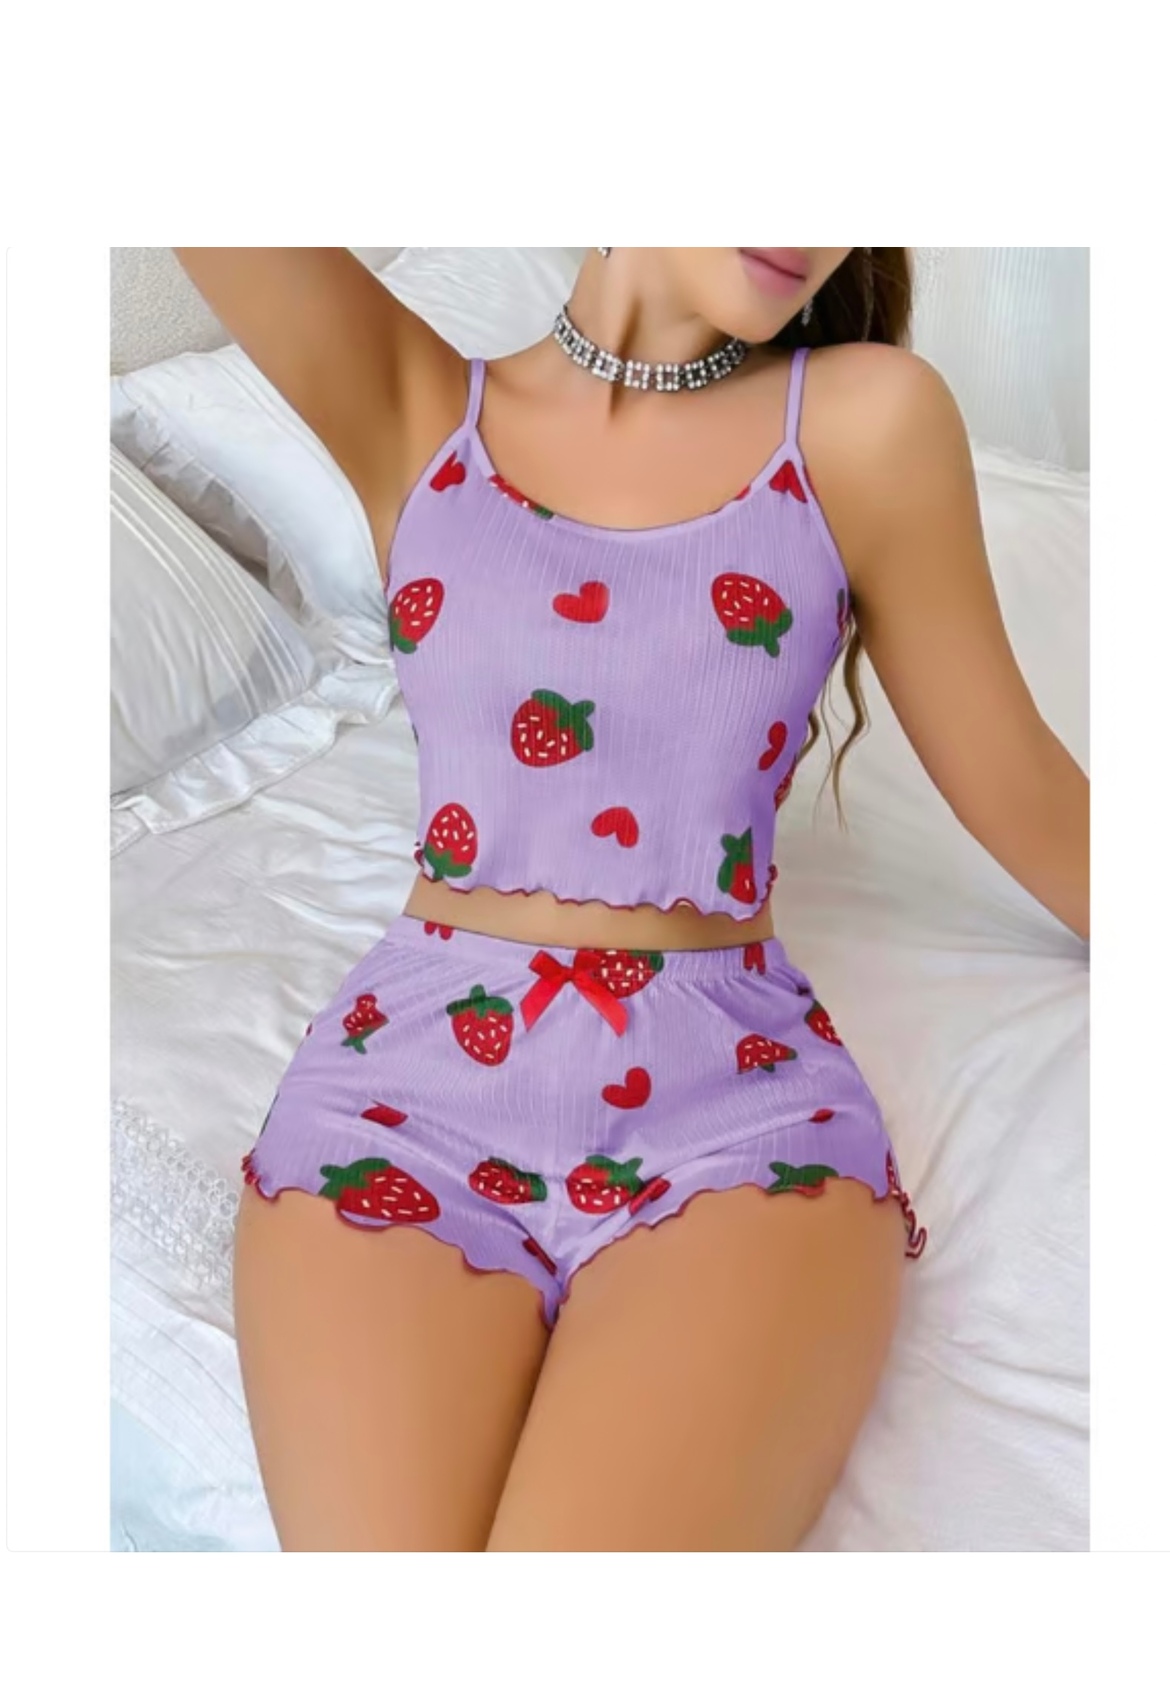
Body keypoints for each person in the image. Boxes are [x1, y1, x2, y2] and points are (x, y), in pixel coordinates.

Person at [173, 247, 1089, 1552]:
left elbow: (1032, 796)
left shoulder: (862, 422)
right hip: (402, 1099)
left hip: (733, 1117)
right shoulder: (420, 407)